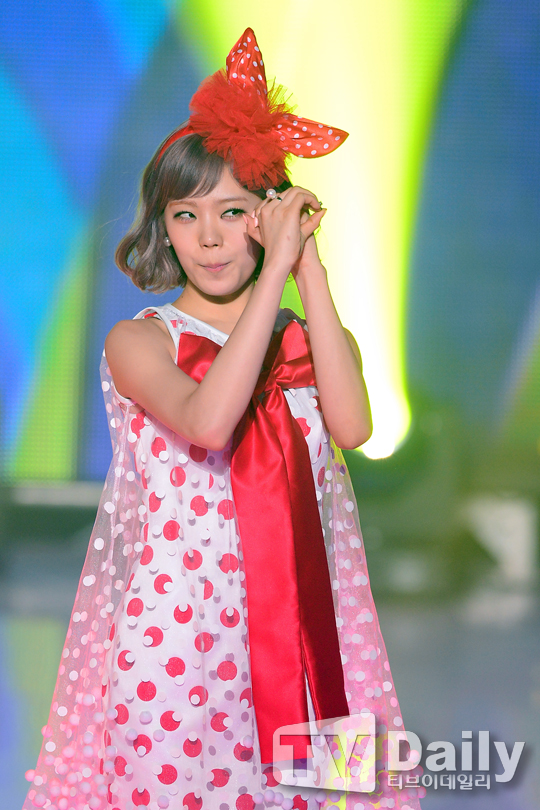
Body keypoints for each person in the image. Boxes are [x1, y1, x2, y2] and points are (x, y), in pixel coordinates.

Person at [24, 28, 423, 810]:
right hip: (177, 637)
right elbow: (209, 423)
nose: (208, 238)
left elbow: (353, 430)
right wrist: (274, 276)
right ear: (162, 225)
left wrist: (307, 265)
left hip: (300, 629)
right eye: (185, 215)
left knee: (300, 794)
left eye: (233, 212)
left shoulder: (310, 341)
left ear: (267, 218)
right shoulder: (142, 341)